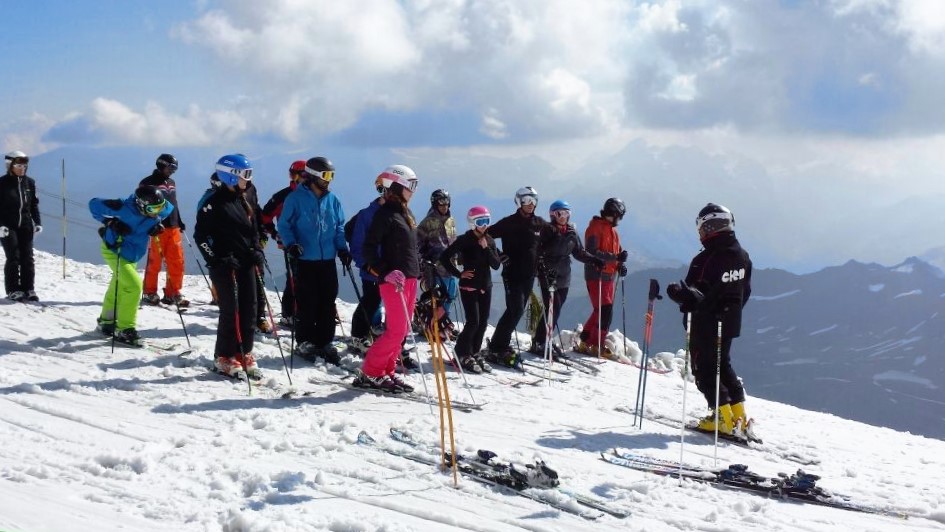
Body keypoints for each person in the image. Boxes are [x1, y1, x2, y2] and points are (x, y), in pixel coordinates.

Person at [667, 203, 753, 439]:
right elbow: (745, 291)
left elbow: (695, 294)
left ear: (710, 227)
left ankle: (722, 419)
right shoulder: (742, 256)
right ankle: (739, 417)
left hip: (705, 324)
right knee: (723, 366)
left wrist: (677, 293)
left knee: (705, 371)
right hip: (730, 322)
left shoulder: (705, 259)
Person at [193, 154, 266, 377]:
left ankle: (244, 351)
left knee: (250, 307)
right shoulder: (213, 203)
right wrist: (217, 259)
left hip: (246, 262)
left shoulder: (247, 195)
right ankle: (223, 356)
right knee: (231, 309)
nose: (249, 178)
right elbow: (200, 236)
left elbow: (253, 226)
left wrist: (256, 249)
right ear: (231, 176)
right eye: (246, 174)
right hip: (225, 265)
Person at [277, 156, 351, 365]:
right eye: (326, 175)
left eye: (332, 176)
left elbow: (338, 226)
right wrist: (291, 244)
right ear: (314, 175)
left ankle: (324, 341)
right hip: (305, 259)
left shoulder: (332, 199)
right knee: (308, 302)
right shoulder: (295, 199)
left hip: (327, 259)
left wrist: (342, 249)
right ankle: (305, 341)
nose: (329, 180)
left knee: (327, 302)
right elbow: (284, 225)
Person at [353, 165, 420, 392]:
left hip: (410, 279)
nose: (413, 191)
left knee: (401, 331)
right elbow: (368, 249)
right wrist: (385, 272)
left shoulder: (405, 213)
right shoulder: (385, 214)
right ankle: (370, 372)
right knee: (395, 331)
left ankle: (387, 370)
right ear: (397, 185)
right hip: (393, 281)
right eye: (411, 185)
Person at [89, 185, 173, 346]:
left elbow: (167, 210)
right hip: (115, 251)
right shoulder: (122, 207)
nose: (157, 212)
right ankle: (125, 329)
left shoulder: (159, 209)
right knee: (133, 287)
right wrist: (109, 222)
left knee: (118, 285)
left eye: (159, 208)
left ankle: (106, 321)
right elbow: (93, 204)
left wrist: (156, 226)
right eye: (152, 209)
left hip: (133, 254)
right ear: (141, 204)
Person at [530, 200, 602, 356]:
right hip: (548, 275)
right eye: (559, 213)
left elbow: (579, 253)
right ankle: (540, 342)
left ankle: (542, 341)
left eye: (566, 213)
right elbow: (540, 251)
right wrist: (540, 271)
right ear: (552, 215)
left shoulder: (571, 232)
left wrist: (595, 260)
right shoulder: (547, 230)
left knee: (556, 310)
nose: (563, 216)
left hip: (564, 276)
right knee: (552, 309)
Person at [486, 186, 548, 367]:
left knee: (515, 310)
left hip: (529, 276)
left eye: (534, 200)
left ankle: (499, 344)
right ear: (519, 202)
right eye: (526, 200)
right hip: (511, 275)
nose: (530, 204)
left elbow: (552, 237)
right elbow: (485, 235)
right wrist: (498, 254)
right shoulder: (509, 222)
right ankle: (498, 346)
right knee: (516, 309)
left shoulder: (539, 223)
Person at [439, 206, 501, 373]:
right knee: (473, 321)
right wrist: (459, 274)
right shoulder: (464, 240)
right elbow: (444, 257)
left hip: (485, 286)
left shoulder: (489, 240)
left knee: (482, 322)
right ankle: (461, 353)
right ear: (472, 223)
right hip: (469, 286)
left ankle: (474, 352)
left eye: (486, 221)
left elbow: (496, 264)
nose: (484, 225)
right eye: (480, 222)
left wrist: (486, 247)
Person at [344, 172, 390, 355]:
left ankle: (369, 330)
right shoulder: (367, 215)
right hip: (371, 268)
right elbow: (356, 241)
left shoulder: (391, 213)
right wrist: (364, 263)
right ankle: (358, 335)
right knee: (370, 300)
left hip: (385, 268)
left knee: (375, 300)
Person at [576, 197, 628, 357]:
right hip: (596, 274)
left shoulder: (613, 232)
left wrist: (620, 265)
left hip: (608, 276)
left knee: (600, 310)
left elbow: (616, 253)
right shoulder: (595, 228)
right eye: (618, 215)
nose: (619, 219)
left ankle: (585, 339)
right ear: (612, 213)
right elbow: (591, 252)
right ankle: (596, 345)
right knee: (606, 311)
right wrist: (616, 258)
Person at [260, 160, 307, 327]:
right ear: (294, 175)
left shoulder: (313, 195)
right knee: (295, 278)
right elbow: (264, 217)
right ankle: (289, 313)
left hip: (311, 244)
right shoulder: (283, 196)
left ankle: (304, 311)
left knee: (309, 278)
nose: (306, 178)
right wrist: (275, 234)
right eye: (303, 174)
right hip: (291, 244)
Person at [139, 154, 188, 307]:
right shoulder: (147, 183)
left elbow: (174, 203)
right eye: (171, 167)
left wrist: (178, 220)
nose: (173, 171)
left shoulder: (172, 182)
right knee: (155, 262)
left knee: (177, 261)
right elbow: (141, 206)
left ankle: (173, 293)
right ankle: (149, 292)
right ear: (161, 165)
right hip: (157, 227)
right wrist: (148, 224)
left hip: (173, 226)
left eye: (175, 168)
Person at [0, 151, 41, 302]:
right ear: (9, 166)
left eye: (25, 165)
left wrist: (38, 223)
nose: (22, 168)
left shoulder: (29, 183)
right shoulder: (2, 183)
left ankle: (28, 288)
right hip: (7, 226)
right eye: (19, 165)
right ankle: (13, 289)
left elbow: (33, 205)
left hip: (25, 225)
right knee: (14, 257)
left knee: (28, 258)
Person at [417, 189, 459, 332]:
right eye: (441, 202)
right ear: (434, 203)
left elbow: (453, 242)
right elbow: (417, 245)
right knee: (439, 298)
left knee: (451, 296)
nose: (445, 205)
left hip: (452, 266)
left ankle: (444, 323)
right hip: (436, 267)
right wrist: (424, 263)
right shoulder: (427, 222)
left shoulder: (450, 220)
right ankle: (431, 325)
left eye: (447, 202)